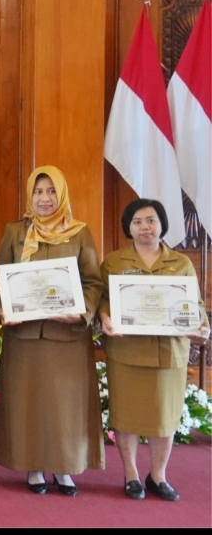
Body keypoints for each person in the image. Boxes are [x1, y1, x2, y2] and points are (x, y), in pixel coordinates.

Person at [0, 165, 104, 496]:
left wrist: (81, 313)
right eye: (38, 192)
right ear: (30, 196)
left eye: (51, 191)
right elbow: (0, 277)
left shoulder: (79, 232)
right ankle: (34, 468)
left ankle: (65, 468)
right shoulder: (16, 232)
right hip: (24, 335)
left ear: (61, 194)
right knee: (29, 403)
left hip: (67, 337)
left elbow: (93, 282)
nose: (44, 198)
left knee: (65, 406)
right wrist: (2, 309)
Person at [98, 198, 210, 501]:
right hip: (127, 351)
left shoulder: (181, 263)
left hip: (168, 351)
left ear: (161, 224)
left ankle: (158, 475)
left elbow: (194, 305)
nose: (145, 227)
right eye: (137, 222)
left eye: (151, 220)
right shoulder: (114, 261)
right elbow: (104, 299)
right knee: (126, 415)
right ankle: (131, 474)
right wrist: (105, 316)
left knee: (165, 417)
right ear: (128, 228)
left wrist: (201, 326)